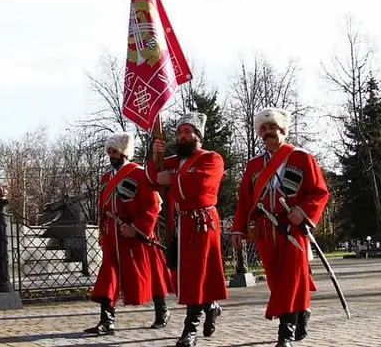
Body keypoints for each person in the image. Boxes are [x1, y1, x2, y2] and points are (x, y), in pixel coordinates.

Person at [231, 107, 329, 347]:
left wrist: (303, 210)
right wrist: (238, 229)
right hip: (265, 228)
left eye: (272, 127)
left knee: (291, 278)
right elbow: (245, 200)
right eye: (263, 129)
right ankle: (301, 311)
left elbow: (319, 192)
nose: (268, 133)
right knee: (276, 280)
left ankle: (285, 333)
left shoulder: (301, 157)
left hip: (292, 228)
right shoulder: (254, 165)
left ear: (283, 129)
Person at [147, 112, 228, 347]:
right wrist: (155, 157)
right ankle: (210, 306)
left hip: (202, 222)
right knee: (184, 276)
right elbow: (151, 180)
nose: (182, 136)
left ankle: (190, 329)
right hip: (179, 224)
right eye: (180, 132)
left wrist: (171, 180)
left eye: (187, 132)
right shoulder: (171, 162)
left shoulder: (211, 158)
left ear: (198, 136)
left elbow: (200, 184)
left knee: (196, 274)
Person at [85, 132, 174, 336]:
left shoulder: (139, 173)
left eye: (114, 151)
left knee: (152, 273)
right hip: (113, 235)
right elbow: (104, 207)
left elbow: (152, 205)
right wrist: (102, 230)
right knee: (108, 275)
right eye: (109, 151)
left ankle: (162, 312)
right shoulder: (106, 178)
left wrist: (137, 227)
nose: (111, 155)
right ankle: (107, 321)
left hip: (136, 235)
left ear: (124, 152)